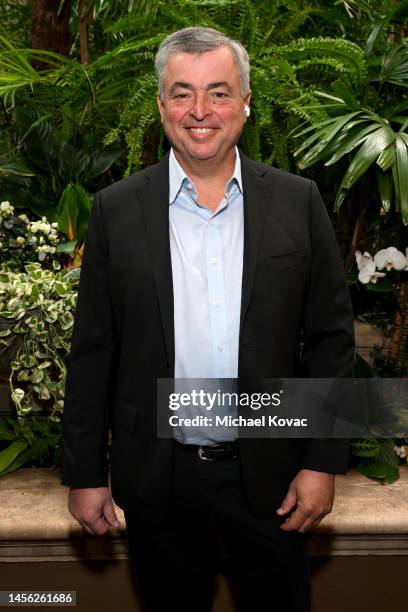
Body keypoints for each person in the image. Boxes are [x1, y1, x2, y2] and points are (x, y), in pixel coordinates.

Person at [61, 26, 355, 612]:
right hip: (159, 483)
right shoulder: (115, 210)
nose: (200, 111)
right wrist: (85, 472)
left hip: (273, 480)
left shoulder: (299, 202)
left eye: (219, 92)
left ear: (246, 102)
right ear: (160, 105)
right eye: (182, 93)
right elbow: (94, 352)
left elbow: (330, 342)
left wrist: (323, 463)